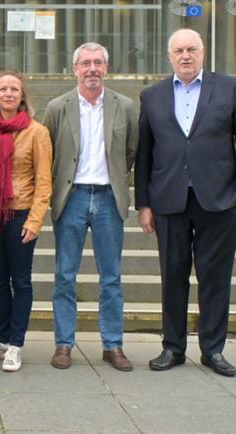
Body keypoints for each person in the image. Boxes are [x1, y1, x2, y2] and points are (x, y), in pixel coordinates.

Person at [135, 28, 236, 377]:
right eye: (179, 50)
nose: (185, 55)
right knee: (172, 276)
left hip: (219, 202)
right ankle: (172, 348)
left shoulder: (229, 88)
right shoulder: (153, 95)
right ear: (169, 55)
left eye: (192, 49)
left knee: (215, 277)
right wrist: (143, 203)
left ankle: (213, 349)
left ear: (203, 53)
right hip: (169, 200)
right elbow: (145, 154)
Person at [42, 42, 138, 372]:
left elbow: (130, 152)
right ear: (75, 69)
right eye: (86, 63)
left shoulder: (124, 106)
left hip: (109, 198)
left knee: (110, 277)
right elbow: (49, 153)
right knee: (64, 275)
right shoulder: (58, 107)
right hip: (72, 198)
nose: (92, 69)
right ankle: (64, 344)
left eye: (98, 63)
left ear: (106, 68)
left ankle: (113, 345)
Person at [0, 71, 52, 372]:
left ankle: (16, 343)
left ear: (22, 95)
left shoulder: (37, 132)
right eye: (3, 89)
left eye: (14, 89)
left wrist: (35, 220)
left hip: (21, 214)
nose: (8, 94)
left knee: (21, 281)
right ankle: (1, 338)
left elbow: (44, 180)